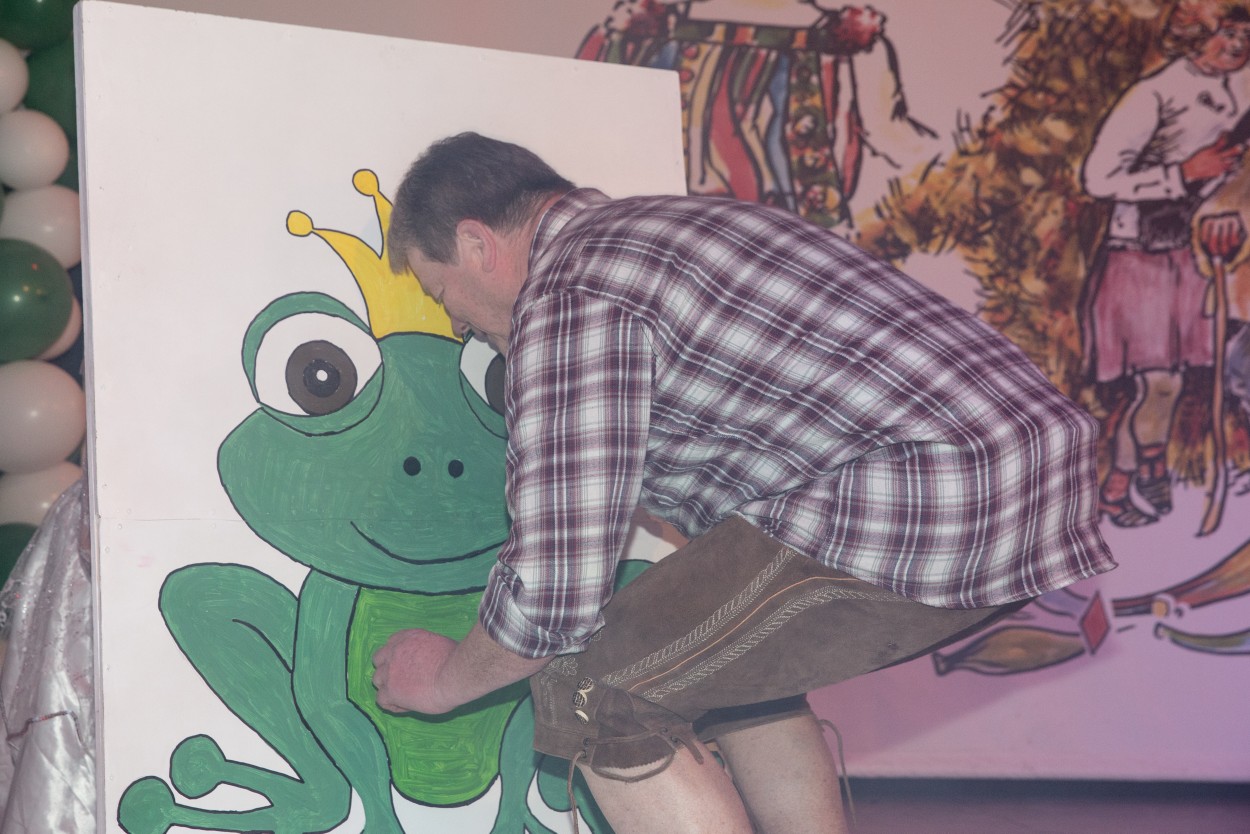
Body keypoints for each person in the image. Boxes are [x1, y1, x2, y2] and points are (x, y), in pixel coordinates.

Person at [371, 132, 1116, 833]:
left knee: (593, 684)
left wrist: (441, 680)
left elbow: (554, 589)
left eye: (443, 294)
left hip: (928, 491)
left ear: (477, 245)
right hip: (1020, 472)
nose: (459, 324)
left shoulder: (573, 291)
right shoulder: (668, 227)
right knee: (717, 665)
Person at [1080, 0, 1250, 528]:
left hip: (1200, 256)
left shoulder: (1242, 90)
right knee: (1158, 385)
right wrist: (1181, 175)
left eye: (1246, 35)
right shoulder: (1155, 92)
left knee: (1180, 380)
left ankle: (1130, 480)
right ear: (1193, 35)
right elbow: (1098, 177)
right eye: (1226, 33)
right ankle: (1129, 480)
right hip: (1141, 255)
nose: (1238, 46)